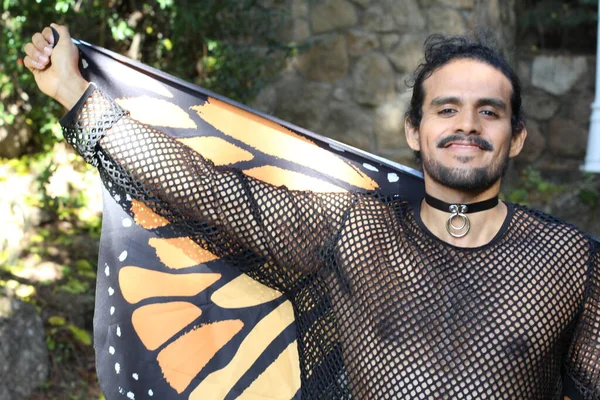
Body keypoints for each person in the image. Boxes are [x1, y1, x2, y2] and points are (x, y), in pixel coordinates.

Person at [24, 24, 599, 399]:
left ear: (516, 137)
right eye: (446, 109)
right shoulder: (354, 232)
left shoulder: (572, 263)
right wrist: (77, 96)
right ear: (414, 131)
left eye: (489, 112)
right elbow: (202, 188)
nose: (467, 125)